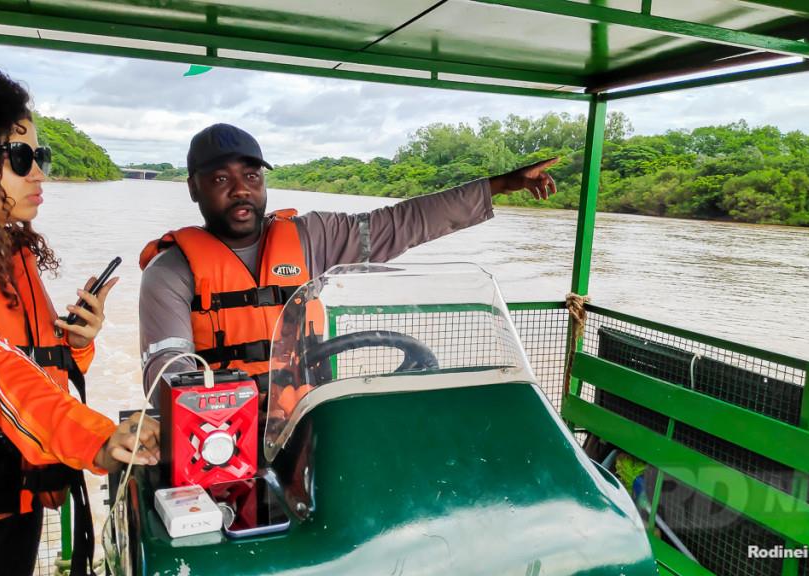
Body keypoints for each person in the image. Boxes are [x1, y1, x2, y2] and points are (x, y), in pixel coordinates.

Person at [0, 70, 159, 576]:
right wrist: (98, 440)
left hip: (11, 505)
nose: (40, 173)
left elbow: (31, 362)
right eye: (21, 158)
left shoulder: (6, 251)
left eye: (42, 156)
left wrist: (79, 347)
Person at [139, 122, 558, 397]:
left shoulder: (311, 237)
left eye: (251, 176)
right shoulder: (171, 272)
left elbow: (401, 222)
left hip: (309, 418)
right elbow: (167, 373)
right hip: (221, 434)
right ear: (193, 188)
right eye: (219, 179)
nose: (240, 189)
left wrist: (500, 185)